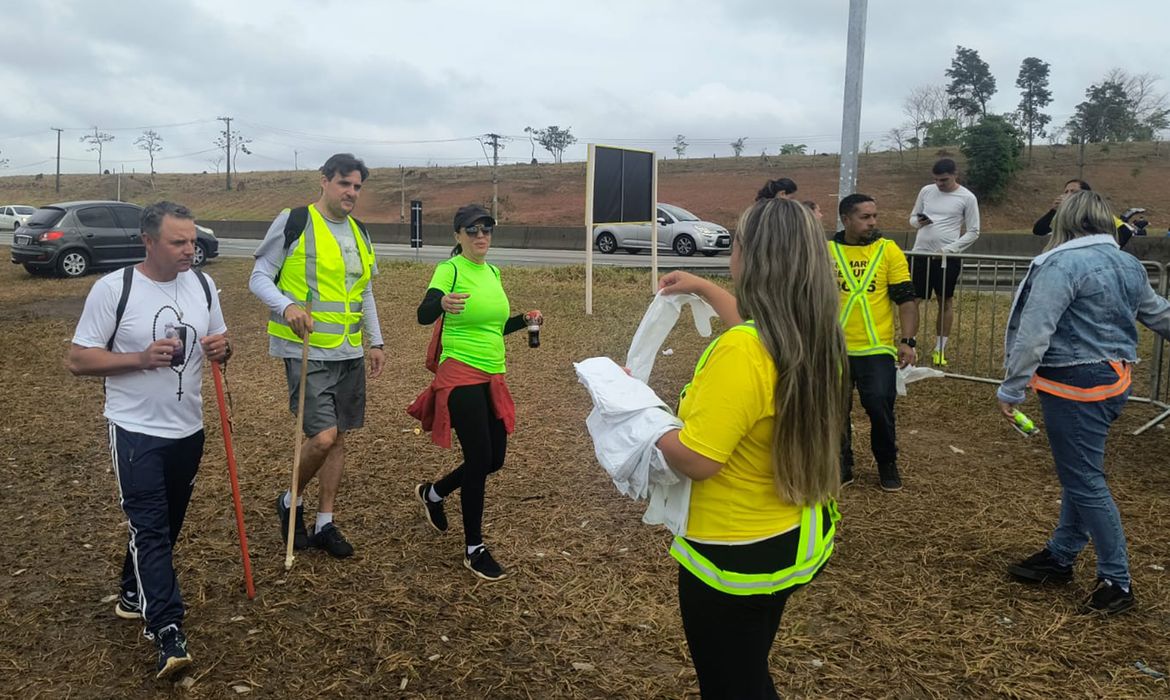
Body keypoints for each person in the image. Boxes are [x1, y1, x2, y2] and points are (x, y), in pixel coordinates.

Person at [653, 195, 846, 698]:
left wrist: (641, 419)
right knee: (748, 663)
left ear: (751, 255)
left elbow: (698, 460)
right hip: (789, 535)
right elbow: (757, 326)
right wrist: (703, 287)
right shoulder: (816, 331)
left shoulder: (740, 351)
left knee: (731, 683)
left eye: (735, 243)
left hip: (732, 556)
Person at [67, 201, 231, 680]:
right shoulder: (113, 289)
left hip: (188, 428)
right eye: (177, 242)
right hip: (135, 428)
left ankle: (131, 593)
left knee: (163, 525)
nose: (189, 250)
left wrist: (225, 347)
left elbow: (219, 339)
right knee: (151, 528)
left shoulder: (202, 284)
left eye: (192, 241)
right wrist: (140, 358)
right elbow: (78, 360)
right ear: (148, 240)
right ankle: (167, 631)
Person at [999, 190, 1170, 616]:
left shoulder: (1061, 263)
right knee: (1082, 473)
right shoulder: (1127, 263)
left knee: (1084, 481)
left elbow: (1035, 330)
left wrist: (1011, 387)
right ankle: (1061, 554)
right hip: (1114, 380)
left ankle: (1116, 579)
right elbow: (1158, 312)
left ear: (1067, 221)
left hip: (1074, 385)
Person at [249, 153, 384, 559]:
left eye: (357, 186)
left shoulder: (359, 231)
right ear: (324, 181)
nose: (351, 192)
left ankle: (325, 522)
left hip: (348, 351)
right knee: (322, 438)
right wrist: (287, 307)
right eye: (344, 183)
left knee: (339, 436)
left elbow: (364, 292)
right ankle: (291, 500)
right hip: (307, 349)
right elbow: (258, 277)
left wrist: (375, 342)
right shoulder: (295, 221)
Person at [409, 204, 543, 581]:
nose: (481, 235)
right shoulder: (449, 269)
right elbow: (423, 313)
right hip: (460, 373)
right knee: (480, 457)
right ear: (458, 236)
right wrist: (442, 303)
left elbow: (493, 327)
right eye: (472, 230)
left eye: (486, 229)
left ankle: (433, 493)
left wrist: (524, 320)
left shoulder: (494, 272)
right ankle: (474, 549)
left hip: (492, 374)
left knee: (494, 459)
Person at [831, 194, 918, 491]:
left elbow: (906, 299)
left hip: (876, 347)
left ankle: (886, 461)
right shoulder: (825, 250)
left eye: (874, 216)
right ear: (846, 219)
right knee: (835, 410)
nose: (873, 222)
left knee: (880, 405)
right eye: (865, 217)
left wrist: (907, 341)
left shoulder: (888, 250)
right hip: (835, 348)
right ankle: (843, 463)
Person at [908, 158, 980, 366]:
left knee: (945, 300)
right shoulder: (926, 191)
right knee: (913, 300)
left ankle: (940, 349)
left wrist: (949, 250)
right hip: (920, 254)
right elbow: (912, 218)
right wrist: (918, 222)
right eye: (936, 180)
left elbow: (974, 231)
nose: (939, 184)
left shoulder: (967, 197)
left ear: (955, 174)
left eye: (944, 180)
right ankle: (910, 344)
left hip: (947, 258)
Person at [1032, 179, 1133, 248]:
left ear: (1085, 195)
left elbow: (1125, 232)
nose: (1068, 195)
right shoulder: (1063, 216)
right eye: (1066, 192)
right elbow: (1039, 230)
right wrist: (1053, 211)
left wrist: (1108, 250)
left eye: (1073, 191)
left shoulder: (1097, 213)